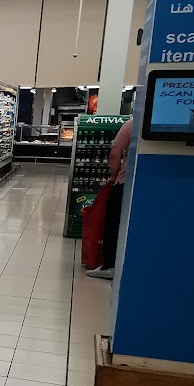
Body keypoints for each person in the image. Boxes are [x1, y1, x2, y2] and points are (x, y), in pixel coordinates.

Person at [87, 115, 132, 279]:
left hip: (125, 182)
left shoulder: (131, 124)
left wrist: (114, 177)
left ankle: (110, 265)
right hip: (147, 186)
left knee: (113, 223)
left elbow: (115, 154)